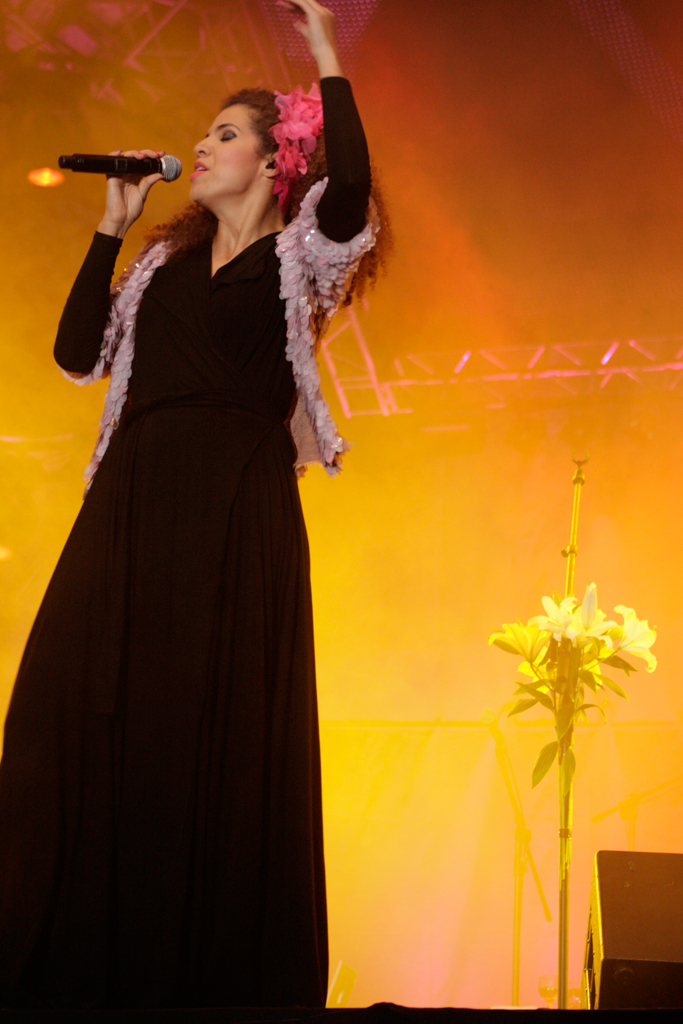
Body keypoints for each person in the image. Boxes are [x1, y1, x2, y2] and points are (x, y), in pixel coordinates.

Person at [0, 0, 390, 1009]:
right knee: (54, 710)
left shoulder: (298, 259)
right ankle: (73, 960)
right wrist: (110, 227)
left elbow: (351, 187)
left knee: (208, 732)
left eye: (223, 134)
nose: (200, 147)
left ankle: (203, 975)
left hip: (232, 509)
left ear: (273, 159)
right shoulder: (159, 270)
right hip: (132, 502)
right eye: (202, 134)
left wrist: (322, 47)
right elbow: (76, 354)